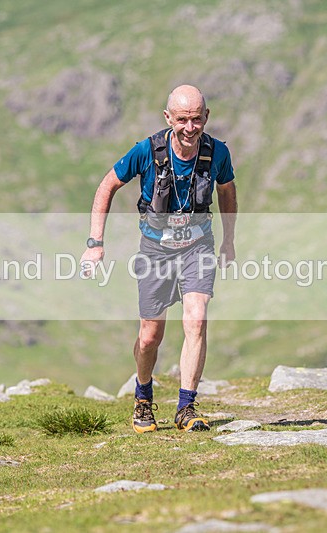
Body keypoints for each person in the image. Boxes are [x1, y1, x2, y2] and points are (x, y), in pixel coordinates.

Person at [80, 85, 237, 433]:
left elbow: (227, 191)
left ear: (206, 117)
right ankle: (143, 396)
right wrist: (95, 242)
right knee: (150, 336)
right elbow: (107, 186)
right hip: (155, 251)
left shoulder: (218, 153)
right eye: (182, 120)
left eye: (197, 119)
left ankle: (186, 406)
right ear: (169, 118)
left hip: (199, 247)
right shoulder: (146, 151)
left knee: (196, 320)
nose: (190, 127)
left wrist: (228, 240)